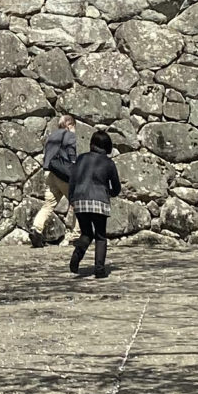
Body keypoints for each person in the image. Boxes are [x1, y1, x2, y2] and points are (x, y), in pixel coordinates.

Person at [68, 128, 122, 278]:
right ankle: (99, 269)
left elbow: (72, 180)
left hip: (80, 199)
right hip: (99, 201)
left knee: (86, 233)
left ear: (92, 144)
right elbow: (116, 187)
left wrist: (72, 198)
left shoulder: (81, 159)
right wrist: (109, 193)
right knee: (100, 236)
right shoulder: (109, 163)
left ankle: (76, 258)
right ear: (107, 147)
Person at [38, 113, 79, 243]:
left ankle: (36, 229)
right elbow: (71, 154)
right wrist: (74, 168)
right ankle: (76, 234)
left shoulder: (52, 136)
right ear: (69, 125)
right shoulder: (69, 135)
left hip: (50, 173)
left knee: (48, 204)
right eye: (74, 126)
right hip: (63, 174)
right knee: (77, 202)